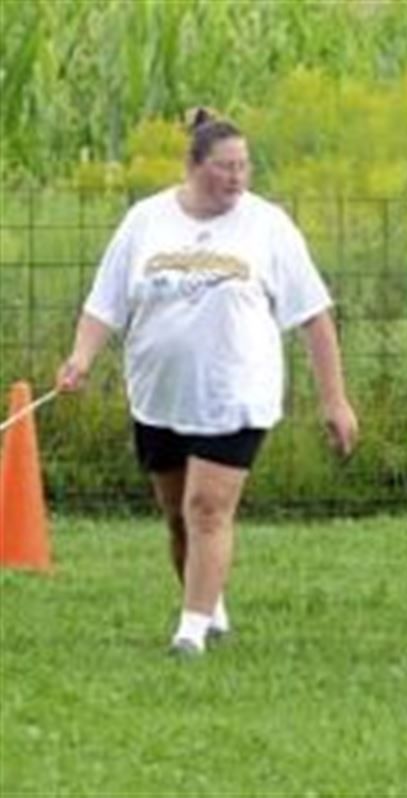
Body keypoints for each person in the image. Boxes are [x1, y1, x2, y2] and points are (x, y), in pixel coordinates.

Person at [56, 108, 358, 656]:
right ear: (193, 166)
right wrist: (80, 357)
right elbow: (104, 304)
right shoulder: (145, 221)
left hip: (236, 395)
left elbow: (314, 316)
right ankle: (208, 600)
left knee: (206, 509)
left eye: (244, 166)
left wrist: (335, 400)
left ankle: (190, 631)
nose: (238, 178)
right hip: (158, 396)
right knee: (176, 517)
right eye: (225, 167)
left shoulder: (268, 226)